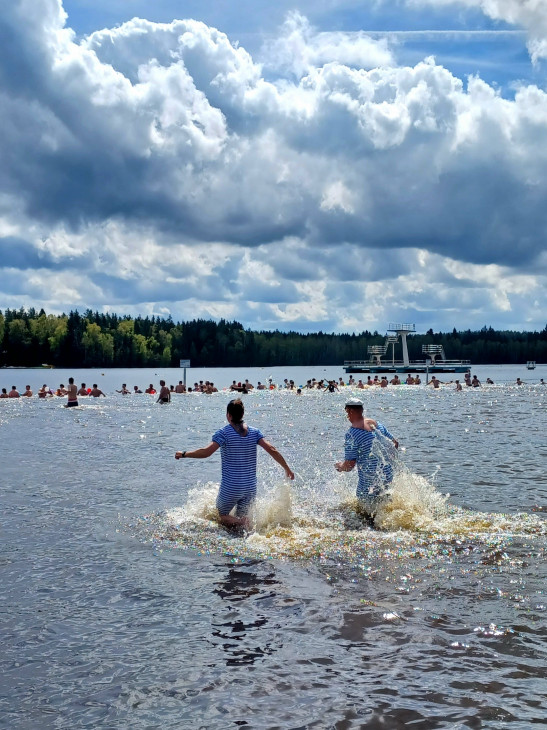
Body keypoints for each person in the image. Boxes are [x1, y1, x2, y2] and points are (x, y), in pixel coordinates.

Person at [175, 398, 294, 529]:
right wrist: (287, 468)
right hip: (250, 487)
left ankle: (240, 523)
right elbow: (272, 449)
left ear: (228, 415)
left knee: (222, 515)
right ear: (242, 414)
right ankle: (244, 527)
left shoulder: (223, 433)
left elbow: (206, 452)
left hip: (231, 486)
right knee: (241, 525)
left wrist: (185, 453)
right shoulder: (255, 432)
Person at [335, 398, 398, 524]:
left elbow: (350, 465)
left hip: (368, 483)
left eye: (347, 412)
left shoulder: (353, 433)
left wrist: (340, 467)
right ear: (362, 410)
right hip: (387, 476)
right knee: (386, 507)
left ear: (350, 411)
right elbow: (395, 443)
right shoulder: (376, 424)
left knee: (365, 517)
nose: (347, 415)